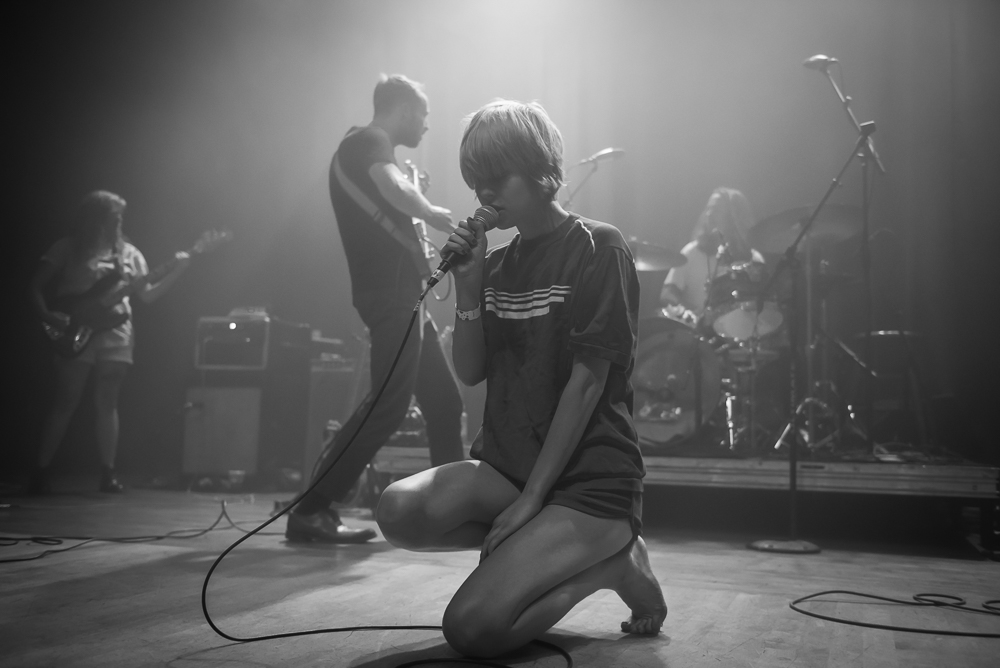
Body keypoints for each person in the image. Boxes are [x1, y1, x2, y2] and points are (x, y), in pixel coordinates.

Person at [375, 100, 666, 658]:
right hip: (510, 466)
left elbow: (585, 385)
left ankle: (610, 564)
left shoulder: (597, 247)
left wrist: (533, 500)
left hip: (588, 480)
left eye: (496, 178)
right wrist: (468, 284)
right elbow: (471, 370)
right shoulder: (500, 264)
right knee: (398, 511)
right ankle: (555, 551)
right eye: (475, 182)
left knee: (471, 630)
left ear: (539, 170)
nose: (483, 193)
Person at [285, 74, 464, 544]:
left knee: (444, 404)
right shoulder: (368, 141)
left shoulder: (373, 148)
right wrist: (431, 214)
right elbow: (388, 184)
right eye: (423, 116)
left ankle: (452, 511)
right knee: (389, 404)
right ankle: (311, 510)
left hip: (405, 297)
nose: (426, 127)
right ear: (403, 108)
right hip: (391, 296)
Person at [27, 190, 191, 493]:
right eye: (113, 214)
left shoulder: (129, 254)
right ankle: (41, 469)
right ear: (95, 217)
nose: (118, 220)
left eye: (120, 216)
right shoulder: (68, 248)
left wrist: (179, 269)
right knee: (66, 399)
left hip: (116, 331)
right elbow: (36, 286)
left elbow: (148, 294)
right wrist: (48, 316)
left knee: (108, 400)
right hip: (75, 328)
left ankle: (108, 472)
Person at [660, 187, 765, 323]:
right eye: (708, 209)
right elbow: (667, 293)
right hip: (697, 332)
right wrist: (687, 311)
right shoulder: (692, 252)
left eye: (716, 210)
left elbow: (764, 306)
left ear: (733, 217)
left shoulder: (754, 260)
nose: (708, 214)